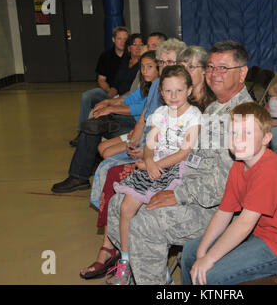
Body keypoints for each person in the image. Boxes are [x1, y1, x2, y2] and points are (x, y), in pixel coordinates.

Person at [106, 40, 253, 285]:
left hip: (214, 208)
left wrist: (178, 194)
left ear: (242, 72)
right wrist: (158, 167)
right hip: (184, 181)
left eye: (223, 68)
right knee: (117, 204)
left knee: (145, 222)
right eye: (211, 67)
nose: (214, 74)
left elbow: (225, 184)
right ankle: (145, 271)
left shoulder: (243, 116)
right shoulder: (215, 107)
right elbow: (190, 154)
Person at [79, 39, 188, 279]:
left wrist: (148, 155)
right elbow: (147, 120)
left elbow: (182, 146)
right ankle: (115, 247)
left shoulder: (182, 94)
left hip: (167, 166)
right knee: (106, 162)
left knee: (110, 170)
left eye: (170, 62)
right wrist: (138, 145)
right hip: (150, 150)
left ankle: (111, 249)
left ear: (183, 64)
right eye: (162, 62)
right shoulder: (160, 86)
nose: (164, 66)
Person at [181, 102, 277, 285]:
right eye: (233, 133)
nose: (238, 140)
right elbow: (224, 212)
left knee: (210, 275)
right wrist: (202, 253)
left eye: (247, 133)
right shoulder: (239, 162)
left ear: (266, 138)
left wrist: (209, 259)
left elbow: (244, 224)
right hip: (259, 231)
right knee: (190, 253)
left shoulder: (269, 170)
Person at [104, 65, 202, 285]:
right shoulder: (159, 114)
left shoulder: (194, 116)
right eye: (168, 91)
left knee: (149, 215)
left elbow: (184, 152)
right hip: (153, 166)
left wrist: (155, 163)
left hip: (176, 169)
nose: (173, 96)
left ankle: (157, 271)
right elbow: (150, 144)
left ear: (189, 91)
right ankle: (126, 262)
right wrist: (148, 161)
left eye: (178, 90)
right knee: (125, 208)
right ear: (161, 92)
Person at [70, 26, 129, 147]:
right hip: (108, 92)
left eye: (125, 39)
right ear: (113, 39)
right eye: (119, 38)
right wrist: (108, 93)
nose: (122, 42)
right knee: (87, 96)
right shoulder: (105, 56)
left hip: (125, 95)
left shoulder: (131, 57)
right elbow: (101, 80)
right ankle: (81, 132)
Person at [95, 50, 159, 159]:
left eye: (149, 67)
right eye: (142, 67)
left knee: (107, 152)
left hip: (146, 132)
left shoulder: (160, 87)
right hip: (139, 128)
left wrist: (112, 108)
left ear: (159, 67)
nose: (144, 71)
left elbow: (141, 109)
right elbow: (133, 98)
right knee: (101, 147)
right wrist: (108, 102)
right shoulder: (147, 84)